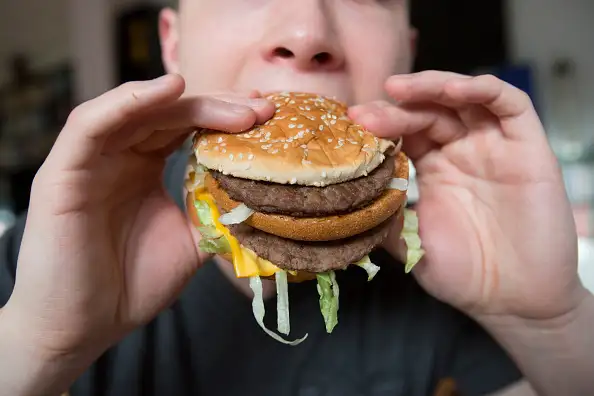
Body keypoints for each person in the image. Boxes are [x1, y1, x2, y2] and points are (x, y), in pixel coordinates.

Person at [0, 1, 593, 395]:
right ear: (172, 43)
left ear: (406, 51)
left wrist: (550, 323)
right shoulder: (38, 266)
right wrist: (38, 345)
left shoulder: (458, 266)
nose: (308, 34)